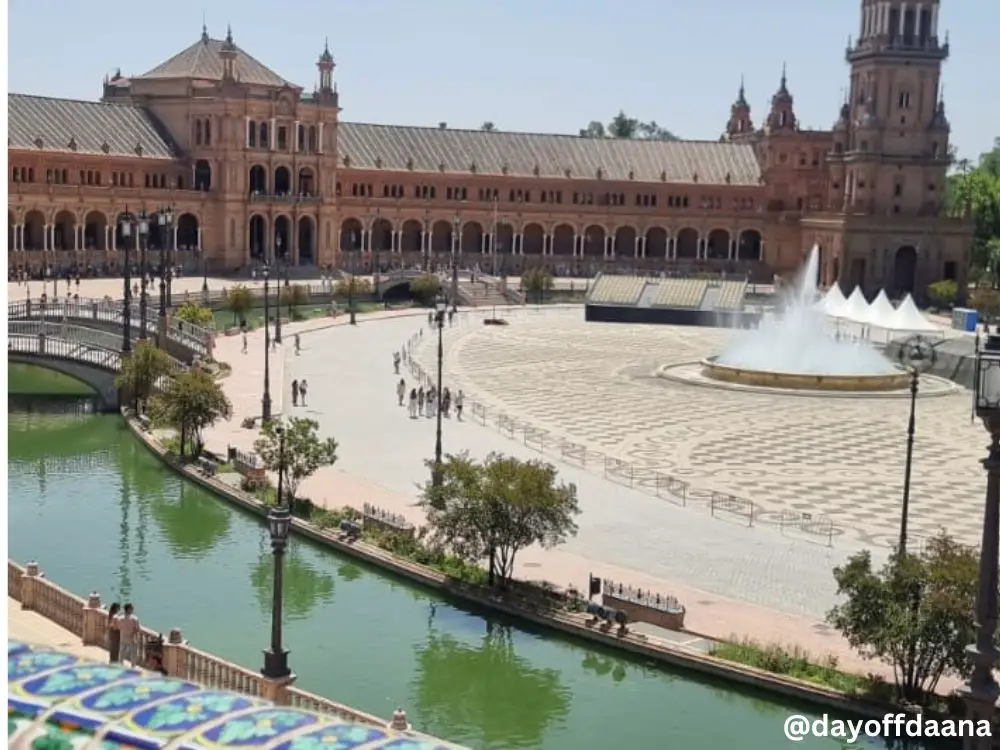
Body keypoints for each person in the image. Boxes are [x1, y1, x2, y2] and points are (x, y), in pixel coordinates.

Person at [118, 603, 140, 667]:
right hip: (132, 638)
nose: (133, 609)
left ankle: (120, 665)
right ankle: (133, 667)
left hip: (123, 637)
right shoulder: (134, 618)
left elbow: (119, 627)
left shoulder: (120, 618)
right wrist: (132, 633)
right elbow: (138, 629)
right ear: (129, 609)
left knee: (122, 653)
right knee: (133, 654)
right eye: (132, 608)